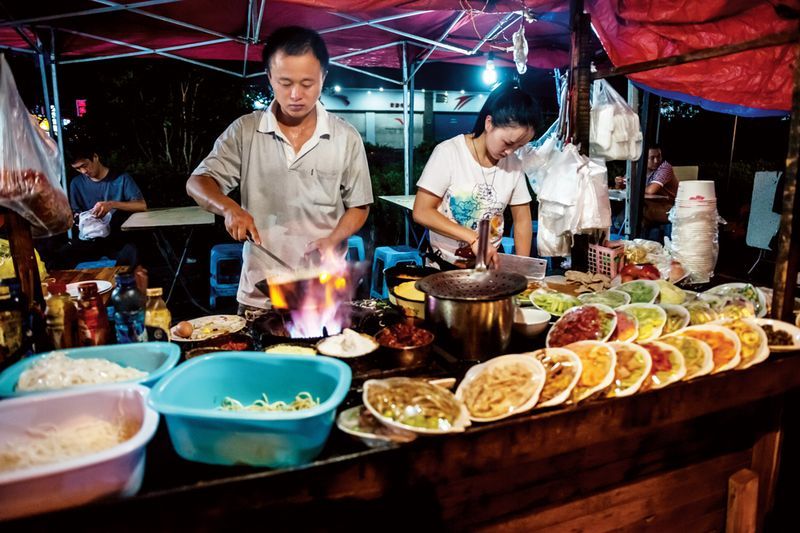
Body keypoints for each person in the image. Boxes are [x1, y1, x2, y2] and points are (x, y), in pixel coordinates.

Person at [186, 26, 373, 317]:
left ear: (324, 76)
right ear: (270, 77)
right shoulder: (246, 131)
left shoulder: (345, 136)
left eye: (307, 83)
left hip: (323, 293)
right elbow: (198, 182)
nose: (296, 95)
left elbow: (359, 207)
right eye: (285, 83)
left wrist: (334, 238)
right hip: (261, 293)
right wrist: (229, 208)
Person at [412, 82, 536, 270]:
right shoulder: (448, 153)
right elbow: (422, 212)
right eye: (508, 143)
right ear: (489, 123)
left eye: (518, 147)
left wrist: (521, 268)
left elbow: (522, 220)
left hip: (489, 266)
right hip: (444, 265)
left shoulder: (514, 166)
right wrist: (473, 238)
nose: (510, 152)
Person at [67, 143, 147, 266]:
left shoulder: (121, 178)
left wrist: (112, 204)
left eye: (85, 165)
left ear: (95, 157)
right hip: (90, 240)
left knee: (132, 252)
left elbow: (141, 205)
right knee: (64, 255)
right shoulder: (76, 183)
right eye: (78, 169)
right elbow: (75, 213)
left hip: (119, 238)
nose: (83, 171)